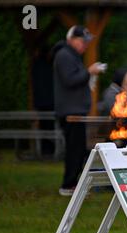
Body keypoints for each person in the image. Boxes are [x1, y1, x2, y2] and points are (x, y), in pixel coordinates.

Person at [52, 25, 103, 196]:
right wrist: (89, 72)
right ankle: (68, 185)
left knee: (78, 149)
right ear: (71, 39)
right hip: (70, 112)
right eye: (83, 41)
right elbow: (70, 80)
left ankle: (72, 184)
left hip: (75, 111)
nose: (85, 45)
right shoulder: (64, 55)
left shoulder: (70, 56)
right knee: (74, 149)